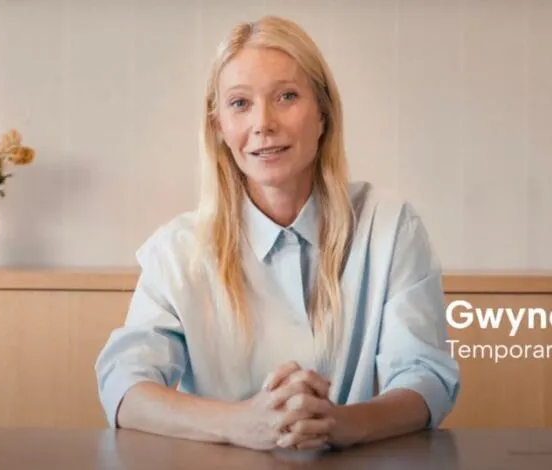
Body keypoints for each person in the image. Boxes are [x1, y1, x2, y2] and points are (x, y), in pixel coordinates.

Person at [94, 15, 460, 452]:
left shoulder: (391, 226)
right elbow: (124, 389)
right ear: (219, 128)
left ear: (323, 114)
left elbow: (427, 379)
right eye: (240, 103)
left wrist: (341, 423)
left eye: (287, 96)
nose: (263, 123)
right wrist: (242, 423)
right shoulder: (177, 251)